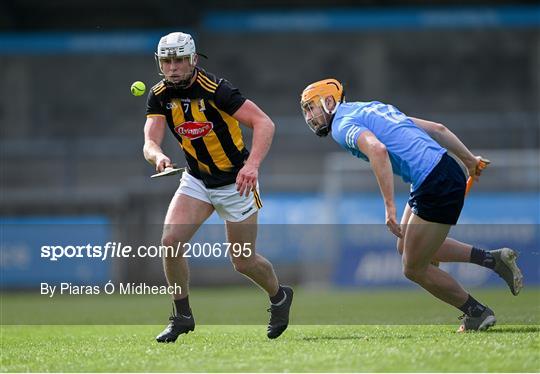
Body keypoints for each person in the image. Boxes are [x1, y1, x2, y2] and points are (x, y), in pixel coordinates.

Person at [299, 78, 523, 332]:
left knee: (413, 267)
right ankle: (493, 260)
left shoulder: (341, 124)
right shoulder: (370, 107)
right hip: (439, 170)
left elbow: (378, 151)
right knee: (405, 245)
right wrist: (469, 160)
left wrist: (389, 206)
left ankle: (477, 313)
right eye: (305, 109)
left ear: (329, 102)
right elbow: (438, 129)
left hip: (435, 181)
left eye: (311, 107)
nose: (308, 116)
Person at [143, 32, 293, 343]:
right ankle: (181, 315)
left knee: (243, 261)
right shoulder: (159, 95)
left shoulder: (217, 90)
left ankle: (279, 296)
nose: (172, 67)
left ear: (193, 60)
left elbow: (265, 123)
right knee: (170, 241)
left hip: (235, 182)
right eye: (166, 61)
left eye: (179, 60)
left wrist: (252, 166)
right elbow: (149, 141)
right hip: (196, 180)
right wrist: (158, 156)